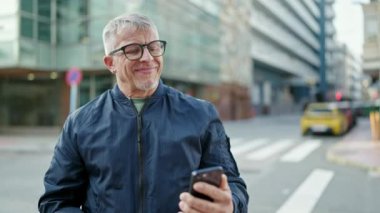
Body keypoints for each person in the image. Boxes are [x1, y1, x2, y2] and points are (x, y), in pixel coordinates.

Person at [38, 13, 249, 213]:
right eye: (133, 49)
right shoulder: (80, 123)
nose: (148, 57)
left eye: (154, 47)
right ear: (110, 63)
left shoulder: (201, 114)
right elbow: (56, 200)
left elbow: (232, 184)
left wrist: (230, 206)